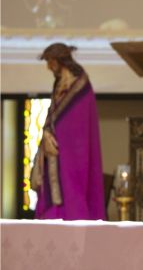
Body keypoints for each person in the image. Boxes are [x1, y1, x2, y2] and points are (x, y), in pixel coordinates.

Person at [31, 42, 106, 220]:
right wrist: (47, 133)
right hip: (54, 149)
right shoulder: (59, 81)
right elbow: (54, 113)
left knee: (71, 188)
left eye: (50, 61)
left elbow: (75, 122)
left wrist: (55, 135)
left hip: (72, 152)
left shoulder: (80, 83)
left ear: (59, 60)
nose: (48, 66)